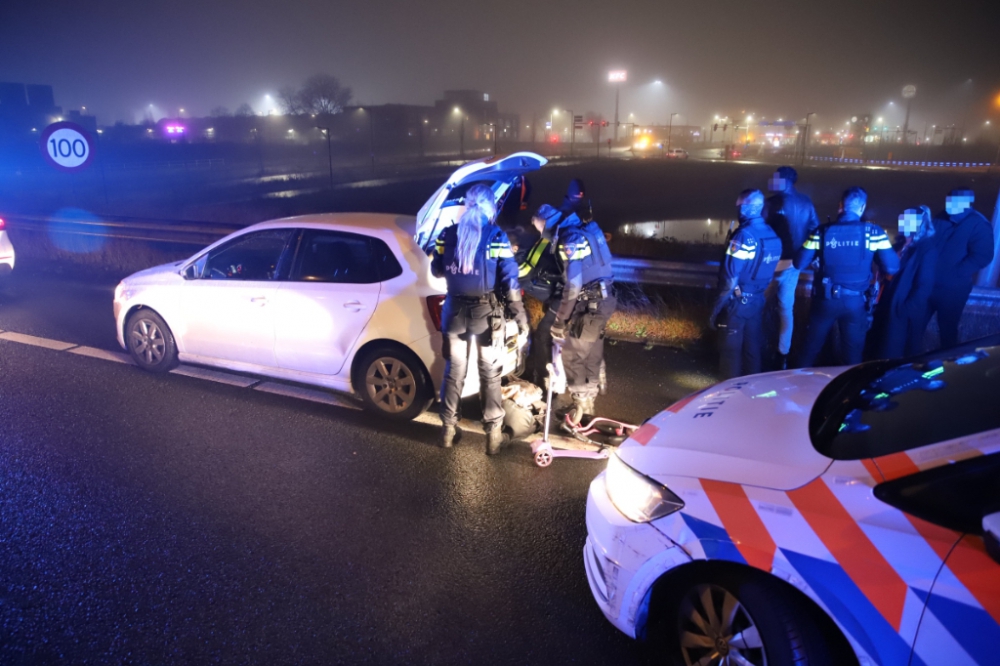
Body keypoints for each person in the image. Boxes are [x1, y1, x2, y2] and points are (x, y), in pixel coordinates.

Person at [431, 184, 529, 455]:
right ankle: (494, 438)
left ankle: (448, 431)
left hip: (453, 312)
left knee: (454, 373)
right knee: (490, 375)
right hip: (486, 317)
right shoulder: (496, 236)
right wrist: (521, 319)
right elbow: (510, 282)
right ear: (490, 206)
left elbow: (437, 270)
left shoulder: (447, 234)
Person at [795, 187, 899, 367]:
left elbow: (799, 263)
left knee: (809, 351)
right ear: (862, 207)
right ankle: (849, 392)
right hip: (854, 303)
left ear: (840, 206)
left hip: (824, 301)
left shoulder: (821, 231)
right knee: (852, 356)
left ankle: (798, 390)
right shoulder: (873, 233)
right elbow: (892, 267)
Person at [543, 186, 616, 424]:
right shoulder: (586, 230)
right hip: (605, 300)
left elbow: (572, 286)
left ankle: (581, 407)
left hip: (591, 304)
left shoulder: (570, 239)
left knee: (574, 355)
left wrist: (560, 321)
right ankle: (590, 397)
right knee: (591, 352)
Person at [708, 189, 783, 379]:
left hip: (737, 303)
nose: (738, 210)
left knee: (730, 354)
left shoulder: (743, 237)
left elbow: (730, 278)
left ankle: (727, 398)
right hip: (757, 301)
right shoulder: (772, 235)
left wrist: (716, 308)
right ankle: (752, 393)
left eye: (739, 206)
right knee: (752, 351)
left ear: (745, 209)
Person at [921, 188, 995, 349]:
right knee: (915, 325)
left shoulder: (979, 224)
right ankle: (909, 362)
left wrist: (955, 273)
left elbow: (983, 256)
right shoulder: (942, 217)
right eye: (948, 200)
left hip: (953, 291)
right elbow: (929, 240)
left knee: (947, 330)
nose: (948, 204)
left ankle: (950, 364)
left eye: (953, 202)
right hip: (928, 285)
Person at [765, 166, 820, 367]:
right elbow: (815, 229)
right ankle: (783, 352)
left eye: (775, 177)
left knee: (758, 304)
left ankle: (757, 346)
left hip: (772, 263)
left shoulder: (772, 203)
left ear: (784, 180)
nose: (771, 180)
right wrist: (806, 256)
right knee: (786, 308)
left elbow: (762, 232)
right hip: (796, 263)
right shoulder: (806, 202)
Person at [869, 206, 938, 359]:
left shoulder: (926, 249)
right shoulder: (898, 245)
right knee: (875, 350)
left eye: (906, 219)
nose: (901, 221)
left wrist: (904, 310)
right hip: (884, 305)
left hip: (900, 312)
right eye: (901, 217)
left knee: (891, 354)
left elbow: (924, 286)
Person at [517, 204, 563, 385]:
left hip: (563, 296)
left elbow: (524, 270)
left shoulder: (545, 240)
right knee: (547, 334)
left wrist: (509, 262)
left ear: (541, 221)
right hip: (569, 293)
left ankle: (542, 380)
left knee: (542, 335)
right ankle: (537, 374)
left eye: (534, 222)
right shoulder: (559, 233)